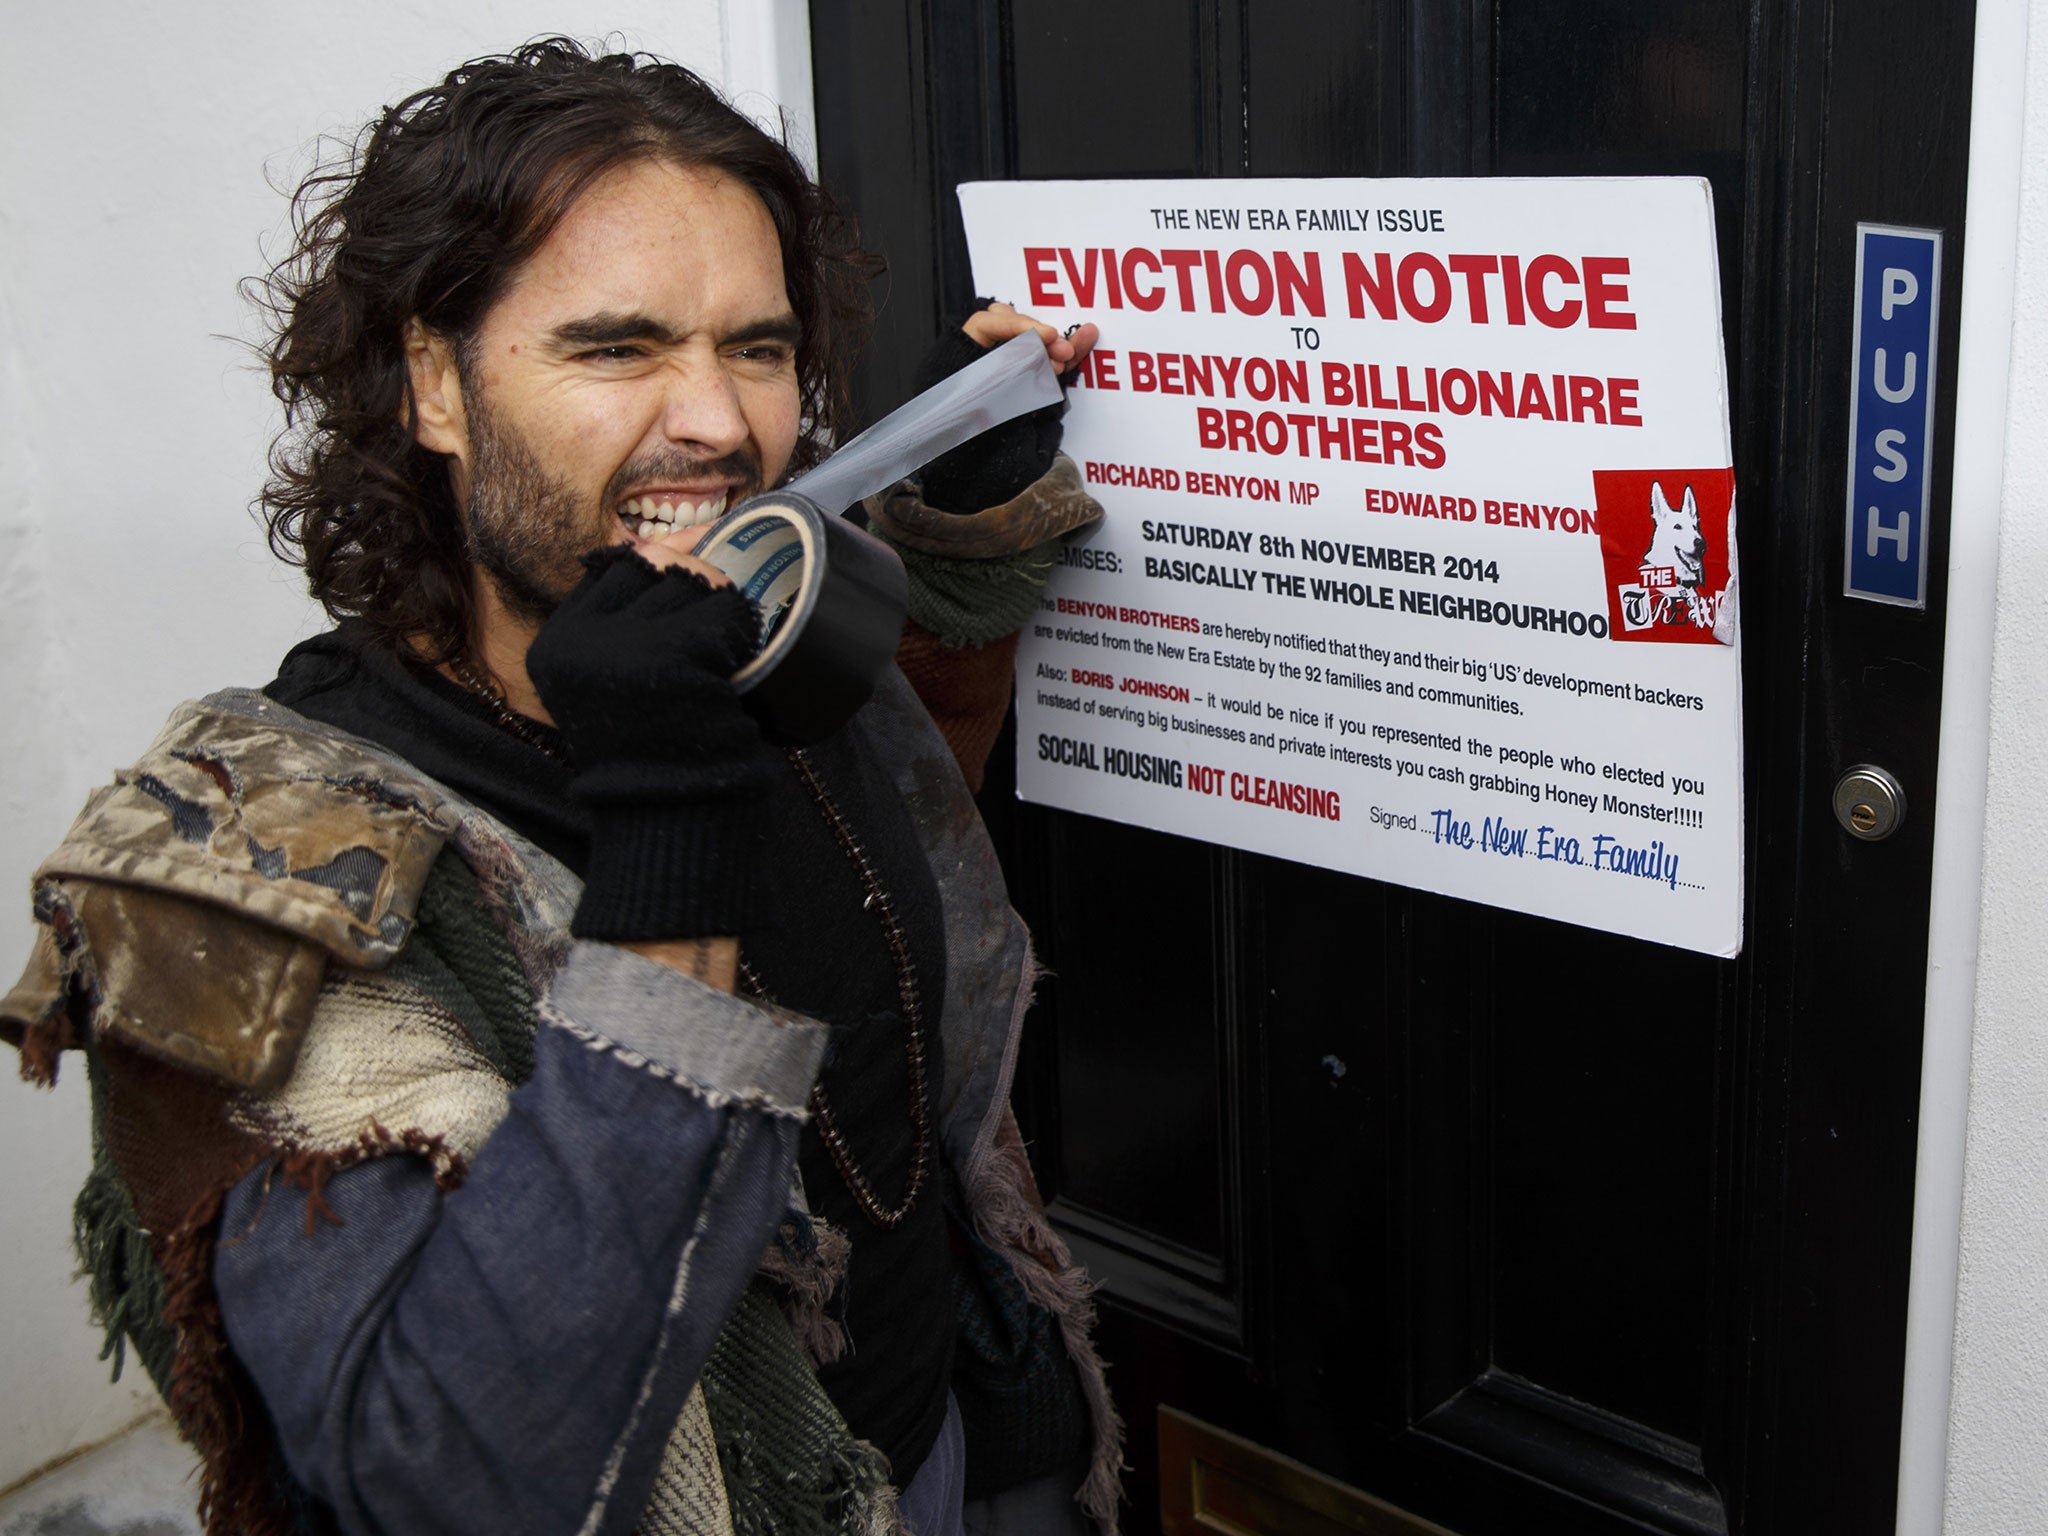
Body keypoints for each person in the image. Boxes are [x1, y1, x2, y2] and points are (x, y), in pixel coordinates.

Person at [0, 38, 1120, 1536]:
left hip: (950, 1454)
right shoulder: (244, 865)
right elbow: (453, 1475)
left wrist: (957, 485)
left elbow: (917, 817)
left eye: (761, 347)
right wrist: (665, 830)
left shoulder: (760, 641)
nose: (719, 423)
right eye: (616, 348)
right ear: (433, 383)